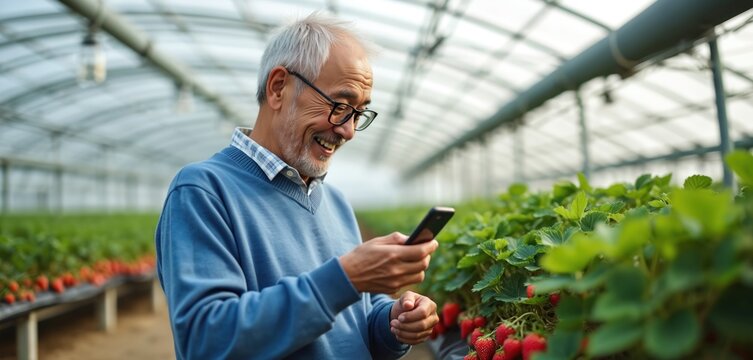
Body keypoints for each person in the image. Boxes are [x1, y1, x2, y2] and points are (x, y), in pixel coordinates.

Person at [155, 12, 440, 359]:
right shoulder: (203, 191)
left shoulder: (333, 201)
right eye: (339, 105)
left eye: (359, 113)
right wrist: (344, 278)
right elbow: (207, 341)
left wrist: (393, 323)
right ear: (278, 87)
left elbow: (353, 326)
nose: (348, 130)